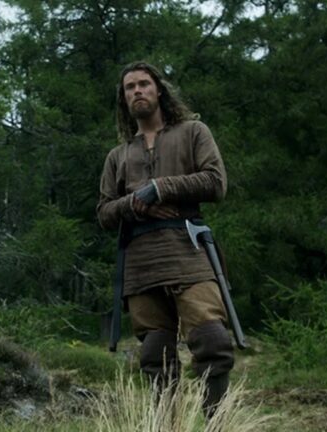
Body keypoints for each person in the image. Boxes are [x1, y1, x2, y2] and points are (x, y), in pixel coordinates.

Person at [97, 61, 234, 417]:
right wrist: (134, 203)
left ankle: (217, 424)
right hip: (141, 262)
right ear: (124, 98)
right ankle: (166, 424)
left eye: (144, 84)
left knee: (213, 342)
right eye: (129, 87)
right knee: (155, 358)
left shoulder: (193, 132)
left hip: (188, 250)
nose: (137, 91)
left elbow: (216, 182)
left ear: (159, 90)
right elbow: (104, 213)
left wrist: (161, 188)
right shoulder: (118, 156)